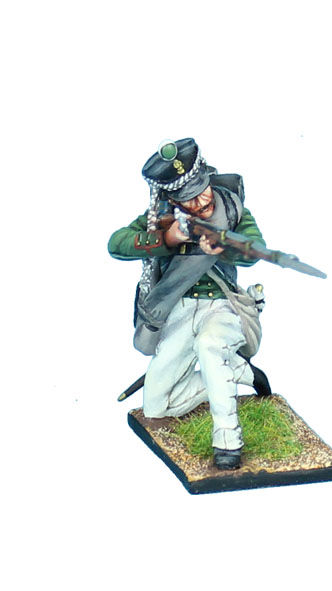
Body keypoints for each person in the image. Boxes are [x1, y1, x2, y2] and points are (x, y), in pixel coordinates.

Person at [108, 138, 266, 469]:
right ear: (172, 199)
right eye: (188, 199)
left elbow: (256, 249)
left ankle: (227, 441)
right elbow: (116, 244)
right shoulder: (162, 217)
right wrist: (166, 239)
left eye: (202, 191)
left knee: (210, 346)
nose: (200, 201)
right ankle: (239, 372)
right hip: (178, 311)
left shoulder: (231, 208)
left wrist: (225, 243)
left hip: (221, 307)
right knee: (155, 407)